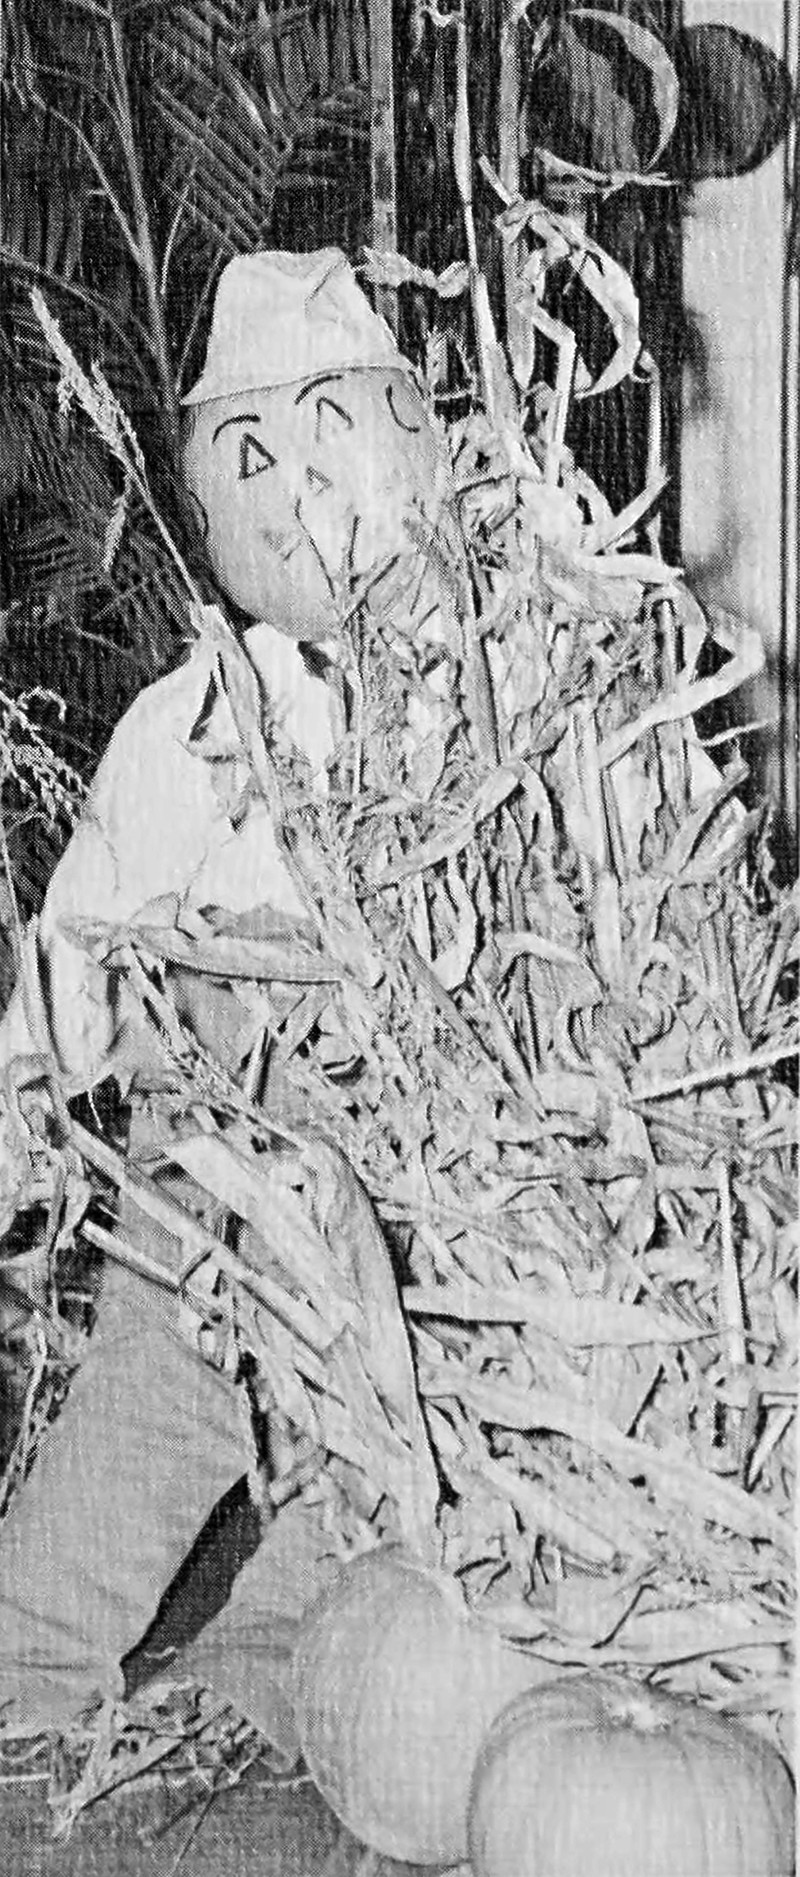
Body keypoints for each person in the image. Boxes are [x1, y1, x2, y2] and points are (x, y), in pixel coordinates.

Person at [0, 249, 450, 1757]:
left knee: (375, 1475)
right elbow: (81, 941)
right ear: (204, 501)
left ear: (416, 437)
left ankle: (260, 1683)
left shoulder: (505, 691)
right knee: (152, 1409)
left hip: (421, 1195)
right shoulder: (189, 720)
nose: (298, 491)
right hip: (210, 1176)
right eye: (249, 458)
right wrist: (24, 1108)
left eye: (334, 430)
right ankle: (23, 1669)